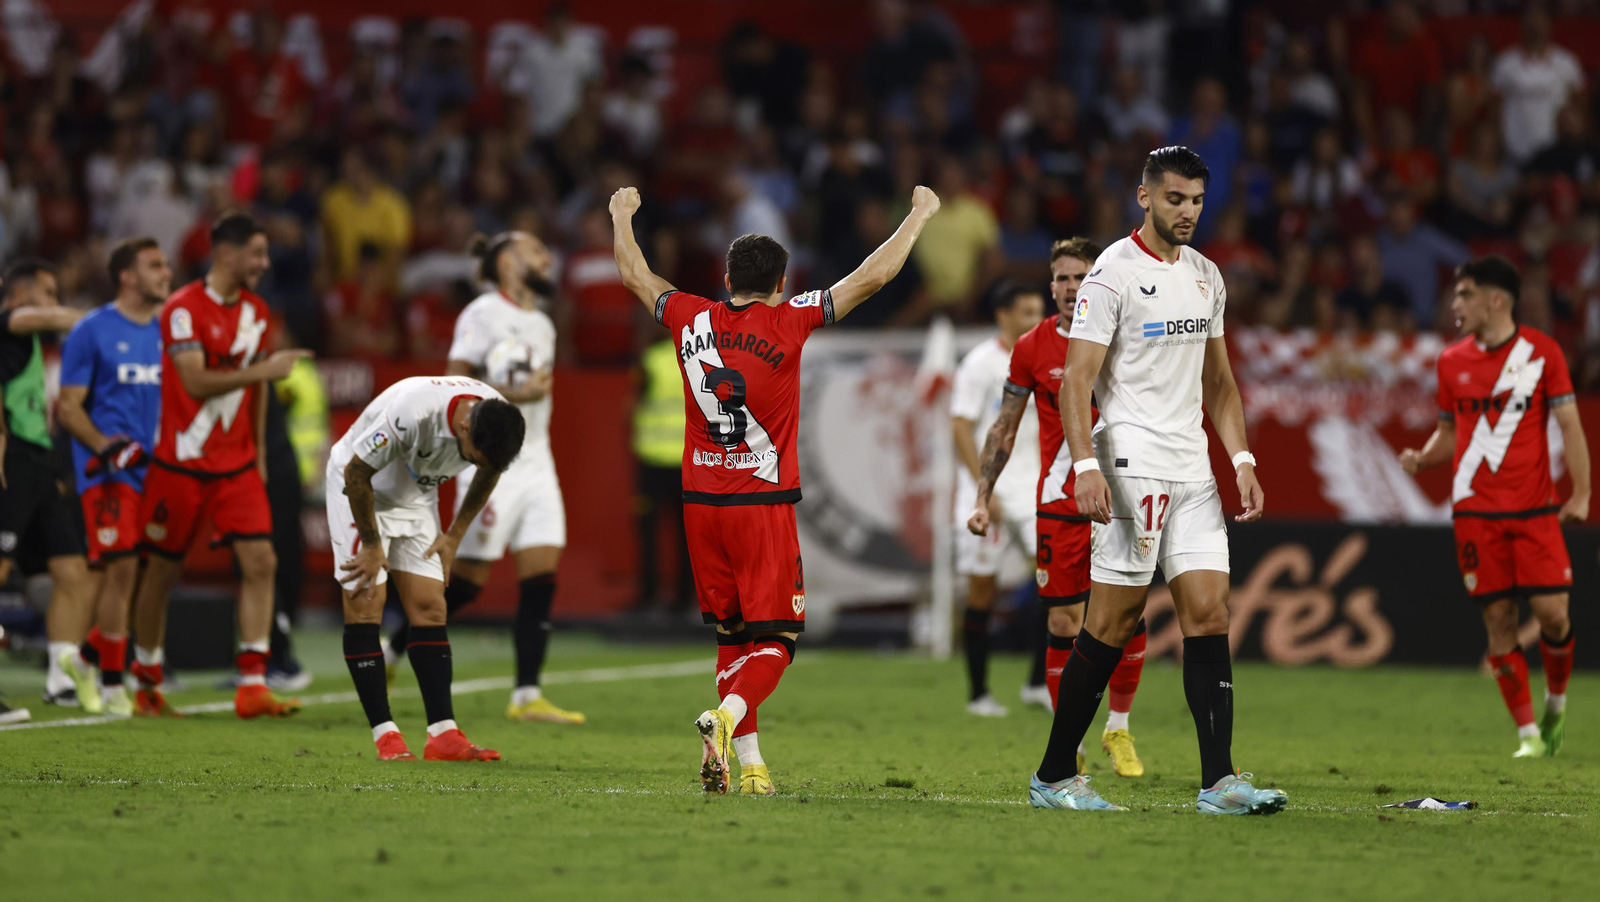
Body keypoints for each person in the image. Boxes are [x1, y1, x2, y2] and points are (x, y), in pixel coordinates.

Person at [611, 182, 942, 795]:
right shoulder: (791, 319)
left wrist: (621, 215)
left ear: (726, 278)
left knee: (731, 639)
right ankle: (727, 717)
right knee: (779, 640)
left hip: (700, 504)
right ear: (782, 283)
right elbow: (872, 277)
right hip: (760, 506)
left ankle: (753, 768)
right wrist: (919, 215)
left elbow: (635, 275)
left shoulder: (689, 316)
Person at [1030, 146, 1285, 815]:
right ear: (1144, 197)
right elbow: (1076, 380)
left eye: (1196, 200)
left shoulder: (1206, 275)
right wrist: (1086, 466)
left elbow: (1220, 384)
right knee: (1111, 623)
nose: (1188, 212)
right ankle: (1053, 775)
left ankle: (1219, 782)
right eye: (1175, 198)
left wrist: (1243, 461)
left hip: (1193, 469)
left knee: (1210, 613)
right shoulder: (1112, 273)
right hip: (1130, 466)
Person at [968, 238, 1151, 780]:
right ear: (1052, 286)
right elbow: (1003, 427)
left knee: (1128, 616)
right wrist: (981, 496)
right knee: (1063, 620)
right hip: (1060, 501)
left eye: (1082, 277)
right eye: (1063, 279)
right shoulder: (1031, 347)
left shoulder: (1128, 336)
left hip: (1125, 498)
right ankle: (1069, 743)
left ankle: (1119, 726)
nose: (1072, 288)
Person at [386, 231, 584, 725]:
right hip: (494, 462)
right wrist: (516, 392)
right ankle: (393, 647)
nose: (546, 256)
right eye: (535, 249)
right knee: (468, 584)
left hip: (539, 462)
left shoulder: (542, 323)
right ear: (507, 262)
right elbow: (454, 381)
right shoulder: (481, 313)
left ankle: (527, 695)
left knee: (541, 577)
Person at [1400, 256, 1588, 759]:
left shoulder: (1541, 354)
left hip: (1534, 510)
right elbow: (1449, 432)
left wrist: (1583, 492)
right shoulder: (1451, 361)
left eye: (1465, 294)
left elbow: (1570, 426)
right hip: (1475, 513)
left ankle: (1555, 707)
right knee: (1500, 620)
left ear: (1496, 299)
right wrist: (1423, 458)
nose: (1455, 303)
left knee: (1553, 616)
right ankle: (1529, 736)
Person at [127, 213, 310, 719]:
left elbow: (258, 391)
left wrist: (261, 454)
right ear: (226, 253)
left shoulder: (258, 311)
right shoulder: (181, 309)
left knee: (262, 562)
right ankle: (146, 681)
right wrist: (263, 370)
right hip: (180, 463)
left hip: (238, 465)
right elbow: (194, 381)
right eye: (257, 253)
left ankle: (252, 683)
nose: (265, 263)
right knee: (161, 573)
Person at [329, 376, 525, 761]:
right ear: (463, 427)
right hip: (359, 488)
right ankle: (386, 736)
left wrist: (455, 535)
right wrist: (372, 545)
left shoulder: (497, 419)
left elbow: (490, 469)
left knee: (431, 607)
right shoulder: (414, 412)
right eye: (473, 457)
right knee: (366, 601)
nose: (476, 463)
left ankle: (443, 735)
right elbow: (356, 472)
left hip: (416, 497)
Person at [54, 238, 170, 717]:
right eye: (155, 265)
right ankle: (112, 686)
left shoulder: (168, 331)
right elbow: (68, 406)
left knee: (146, 574)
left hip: (155, 470)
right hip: (108, 472)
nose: (166, 273)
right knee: (121, 570)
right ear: (127, 276)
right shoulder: (91, 330)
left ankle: (84, 659)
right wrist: (107, 447)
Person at [0, 259, 95, 710]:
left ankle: (61, 679)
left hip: (38, 463)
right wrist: (106, 320)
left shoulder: (29, 343)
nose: (55, 304)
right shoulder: (9, 321)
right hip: (11, 461)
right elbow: (43, 317)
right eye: (48, 293)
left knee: (73, 572)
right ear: (21, 295)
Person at [950, 281, 1046, 718]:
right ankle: (978, 694)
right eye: (1027, 312)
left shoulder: (1044, 356)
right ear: (1003, 315)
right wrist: (983, 492)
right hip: (986, 493)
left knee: (1056, 583)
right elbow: (960, 429)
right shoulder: (980, 364)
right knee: (982, 592)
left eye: (1038, 312)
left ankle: (1038, 683)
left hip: (1033, 490)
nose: (1035, 320)